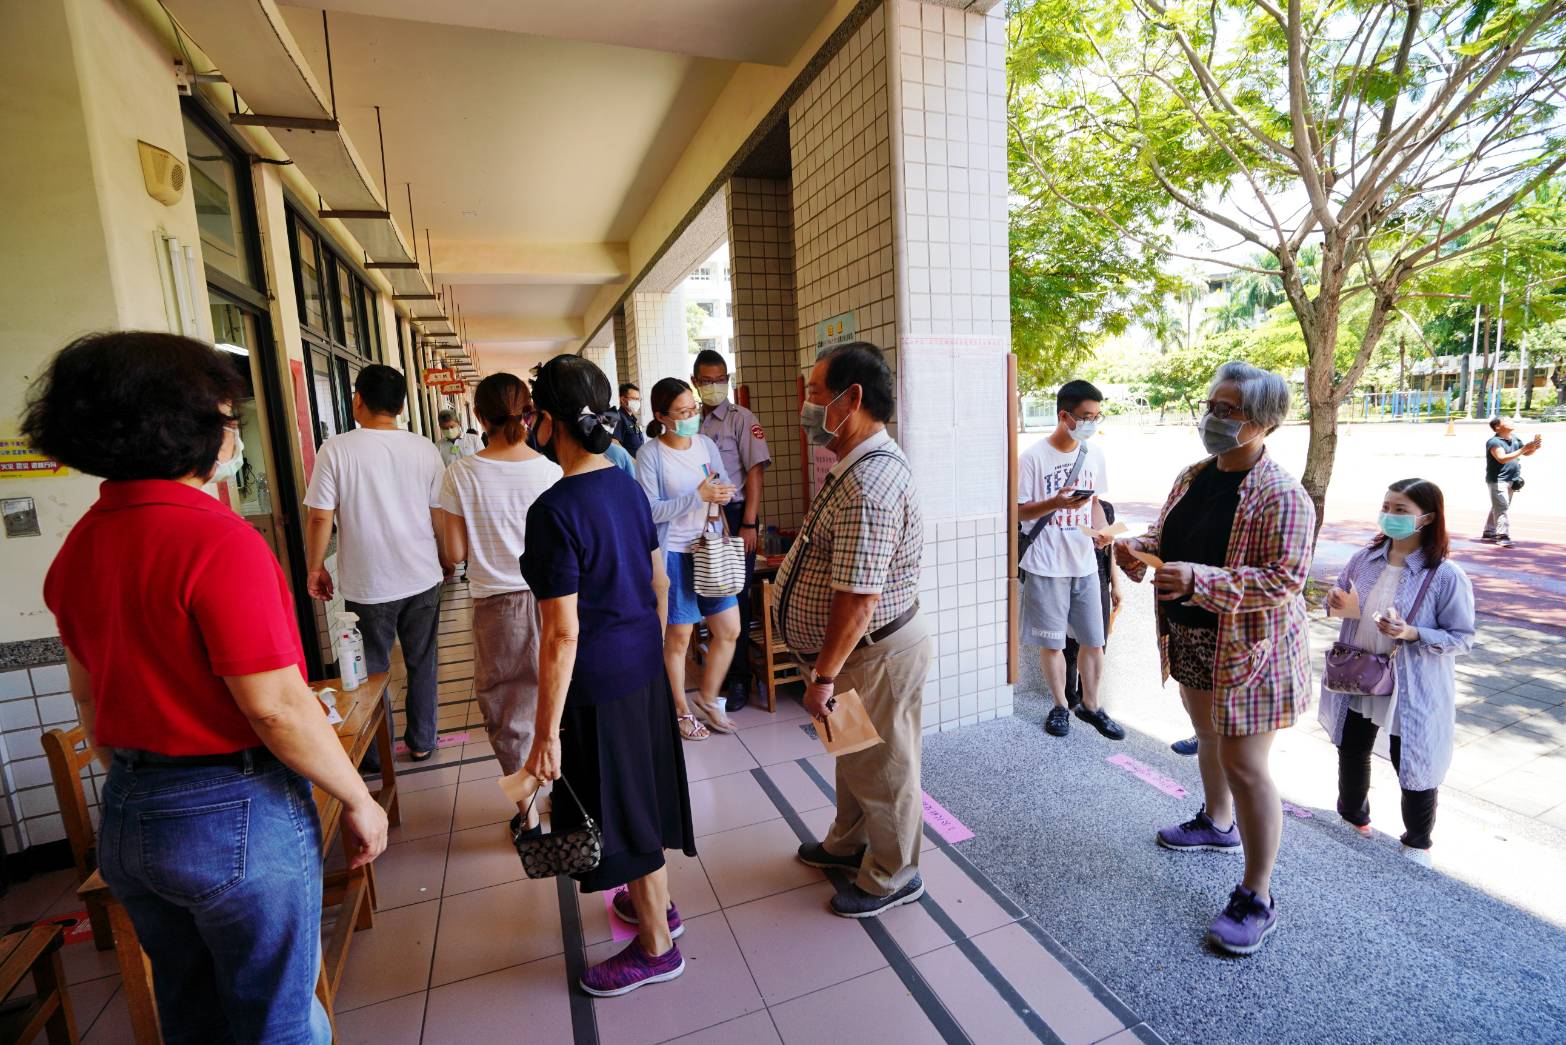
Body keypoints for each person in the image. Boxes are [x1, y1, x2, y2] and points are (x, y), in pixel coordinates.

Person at [27, 332, 388, 1042]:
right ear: (183, 426)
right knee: (279, 1018)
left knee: (192, 1014)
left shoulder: (79, 546)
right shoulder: (218, 541)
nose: (234, 435)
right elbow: (276, 706)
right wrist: (357, 794)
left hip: (130, 812)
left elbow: (89, 699)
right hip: (233, 813)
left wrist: (146, 779)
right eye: (227, 419)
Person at [1115, 361, 1314, 957]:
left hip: (1250, 648)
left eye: (1229, 410)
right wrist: (1139, 550)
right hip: (1192, 636)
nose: (1213, 418)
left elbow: (1286, 579)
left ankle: (1258, 895)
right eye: (1213, 404)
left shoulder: (1283, 495)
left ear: (1264, 422)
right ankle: (1217, 824)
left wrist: (1199, 579)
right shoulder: (1194, 475)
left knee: (1246, 764)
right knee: (1205, 736)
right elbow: (1169, 536)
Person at [519, 354, 696, 996]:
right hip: (641, 665)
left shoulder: (554, 510)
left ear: (546, 422)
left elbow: (562, 634)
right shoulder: (626, 485)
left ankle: (655, 947)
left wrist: (546, 733)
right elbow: (655, 580)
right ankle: (659, 906)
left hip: (596, 682)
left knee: (618, 809)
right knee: (639, 793)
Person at [777, 341, 930, 919]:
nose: (808, 406)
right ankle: (848, 844)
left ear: (853, 398)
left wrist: (822, 675)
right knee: (855, 756)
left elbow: (858, 599)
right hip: (851, 656)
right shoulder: (856, 466)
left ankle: (895, 875)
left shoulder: (871, 483)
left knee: (885, 768)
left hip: (870, 654)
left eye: (816, 394)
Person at [1320, 479, 1475, 861]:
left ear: (1427, 518)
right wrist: (1335, 601)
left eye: (1401, 510)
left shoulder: (1444, 574)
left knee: (1412, 756)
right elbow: (1343, 605)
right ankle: (1352, 816)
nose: (1390, 516)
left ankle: (1417, 841)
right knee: (1352, 743)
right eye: (1387, 507)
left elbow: (1462, 638)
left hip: (1412, 682)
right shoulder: (1364, 558)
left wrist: (1412, 632)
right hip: (1361, 670)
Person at [305, 365, 452, 763]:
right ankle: (423, 741)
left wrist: (315, 567)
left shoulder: (335, 449)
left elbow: (320, 516)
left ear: (357, 400)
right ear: (403, 405)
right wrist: (444, 558)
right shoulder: (423, 448)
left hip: (368, 583)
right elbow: (438, 512)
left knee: (369, 669)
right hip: (421, 574)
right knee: (423, 659)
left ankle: (376, 754)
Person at [438, 373, 562, 838]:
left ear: (477, 416)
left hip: (497, 604)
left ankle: (528, 816)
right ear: (528, 414)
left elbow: (452, 552)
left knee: (509, 710)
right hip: (554, 599)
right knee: (554, 699)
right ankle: (558, 794)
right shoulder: (551, 471)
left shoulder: (461, 473)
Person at [1017, 380, 1125, 741]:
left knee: (1095, 640)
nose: (1091, 423)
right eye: (1085, 416)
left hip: (1085, 562)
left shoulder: (1094, 454)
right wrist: (1055, 504)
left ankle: (1092, 707)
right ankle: (1061, 705)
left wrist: (1103, 532)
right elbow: (1018, 511)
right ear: (1064, 416)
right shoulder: (1032, 457)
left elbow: (1094, 503)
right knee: (1053, 643)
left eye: (1096, 416)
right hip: (1046, 563)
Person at [635, 378, 741, 739]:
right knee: (679, 638)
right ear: (661, 416)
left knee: (729, 629)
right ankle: (681, 709)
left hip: (710, 549)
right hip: (675, 553)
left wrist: (724, 493)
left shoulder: (706, 444)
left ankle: (708, 699)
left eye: (693, 409)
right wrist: (698, 496)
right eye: (682, 412)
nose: (691, 416)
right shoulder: (650, 454)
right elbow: (648, 512)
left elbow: (723, 481)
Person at [694, 349, 772, 711]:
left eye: (721, 379)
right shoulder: (690, 421)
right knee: (709, 596)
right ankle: (720, 667)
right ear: (696, 383)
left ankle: (739, 679)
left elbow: (754, 472)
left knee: (735, 600)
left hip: (737, 517)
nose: (715, 387)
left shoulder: (741, 419)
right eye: (707, 381)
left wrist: (749, 524)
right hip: (701, 518)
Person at [1062, 499, 1123, 710]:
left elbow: (1110, 549)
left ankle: (1086, 696)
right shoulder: (1065, 510)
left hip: (1099, 576)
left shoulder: (1105, 508)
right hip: (1071, 576)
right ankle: (1070, 698)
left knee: (1098, 640)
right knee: (1069, 644)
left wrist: (1115, 585)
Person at [1481, 416, 1540, 547]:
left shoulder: (1514, 438)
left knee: (1500, 506)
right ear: (1497, 427)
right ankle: (1502, 536)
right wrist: (1524, 449)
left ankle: (1489, 531)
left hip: (1512, 478)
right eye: (1507, 421)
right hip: (1498, 479)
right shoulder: (1494, 442)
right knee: (1501, 507)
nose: (1511, 422)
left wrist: (1533, 448)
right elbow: (1502, 458)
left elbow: (1525, 453)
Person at [612, 381, 646, 456]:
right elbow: (614, 443)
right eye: (635, 399)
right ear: (623, 400)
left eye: (638, 399)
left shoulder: (632, 418)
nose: (637, 402)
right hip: (628, 464)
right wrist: (629, 461)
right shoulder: (619, 417)